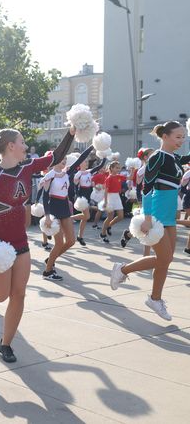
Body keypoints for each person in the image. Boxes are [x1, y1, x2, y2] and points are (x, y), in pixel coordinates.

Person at [0, 126, 75, 363]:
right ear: (11, 146)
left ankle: (6, 343)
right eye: (22, 142)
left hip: (20, 242)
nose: (26, 146)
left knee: (19, 294)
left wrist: (72, 131)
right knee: (0, 296)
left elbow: (55, 157)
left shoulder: (26, 167)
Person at [110, 121, 190, 320]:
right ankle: (122, 269)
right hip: (156, 213)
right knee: (164, 258)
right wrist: (146, 219)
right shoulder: (157, 157)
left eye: (184, 136)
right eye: (178, 136)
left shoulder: (174, 158)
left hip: (169, 214)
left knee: (166, 261)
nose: (182, 140)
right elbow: (147, 188)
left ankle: (155, 299)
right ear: (165, 136)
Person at [40, 146, 93, 280]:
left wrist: (93, 145)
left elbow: (81, 158)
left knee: (70, 241)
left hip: (64, 207)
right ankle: (47, 271)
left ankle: (51, 259)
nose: (64, 160)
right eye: (60, 158)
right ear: (54, 160)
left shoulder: (67, 173)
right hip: (53, 209)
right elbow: (45, 198)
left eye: (65, 158)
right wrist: (47, 217)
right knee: (58, 243)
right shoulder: (49, 176)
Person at [72, 156, 107, 245]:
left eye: (87, 161)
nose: (87, 163)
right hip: (82, 196)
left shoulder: (89, 171)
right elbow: (75, 187)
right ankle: (68, 219)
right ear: (79, 164)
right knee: (86, 216)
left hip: (88, 195)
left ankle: (80, 236)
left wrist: (104, 156)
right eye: (84, 161)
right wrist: (78, 197)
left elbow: (100, 166)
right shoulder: (78, 174)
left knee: (85, 217)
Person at [100, 161, 128, 243]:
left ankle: (109, 226)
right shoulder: (109, 178)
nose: (118, 169)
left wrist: (133, 169)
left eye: (119, 167)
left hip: (117, 197)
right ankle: (103, 234)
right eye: (116, 167)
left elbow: (130, 178)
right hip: (110, 197)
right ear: (111, 168)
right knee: (110, 217)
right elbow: (106, 191)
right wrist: (105, 202)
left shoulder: (119, 176)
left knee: (121, 216)